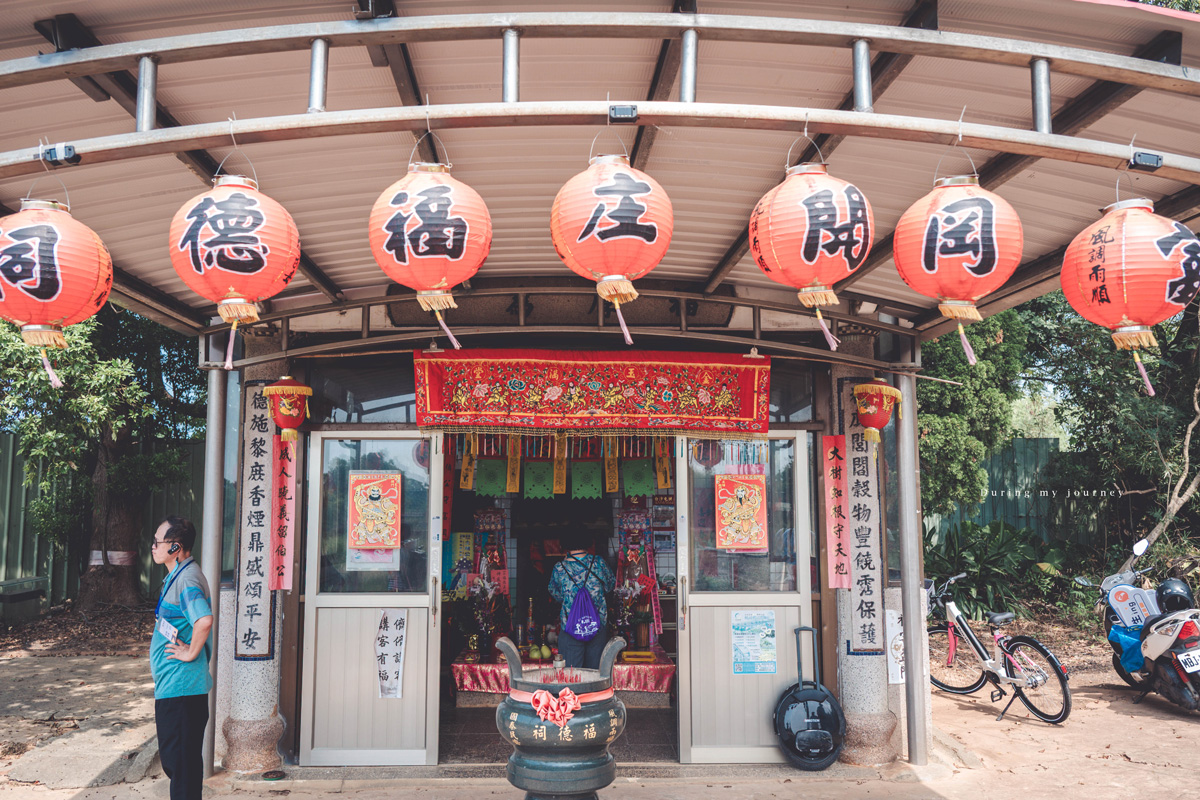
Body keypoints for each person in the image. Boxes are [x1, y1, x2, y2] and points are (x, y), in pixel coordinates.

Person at [149, 516, 213, 800]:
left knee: (182, 771)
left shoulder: (187, 579)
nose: (152, 547)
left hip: (182, 689)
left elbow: (204, 620)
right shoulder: (178, 575)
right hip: (175, 689)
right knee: (180, 767)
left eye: (157, 542)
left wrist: (190, 652)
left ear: (175, 547)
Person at [548, 532, 615, 669]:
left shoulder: (559, 568)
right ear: (588, 542)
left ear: (564, 544)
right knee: (596, 676)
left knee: (572, 676)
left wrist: (573, 601)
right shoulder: (599, 563)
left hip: (570, 627)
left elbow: (555, 593)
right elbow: (610, 586)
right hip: (597, 626)